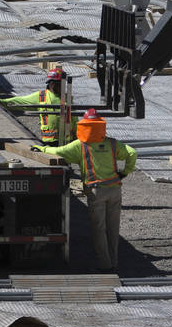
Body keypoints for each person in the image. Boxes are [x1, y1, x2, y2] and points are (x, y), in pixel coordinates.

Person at [43, 109, 136, 274]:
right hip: (115, 189)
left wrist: (41, 149)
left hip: (96, 192)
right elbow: (132, 153)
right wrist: (125, 172)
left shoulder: (81, 145)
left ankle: (104, 265)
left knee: (99, 229)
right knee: (113, 228)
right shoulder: (112, 143)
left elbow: (58, 152)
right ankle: (113, 262)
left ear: (84, 126)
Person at [0, 68, 74, 147]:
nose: (63, 87)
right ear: (52, 84)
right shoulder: (41, 96)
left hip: (68, 141)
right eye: (60, 84)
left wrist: (77, 136)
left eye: (63, 84)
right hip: (50, 142)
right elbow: (19, 101)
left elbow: (73, 117)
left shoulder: (67, 97)